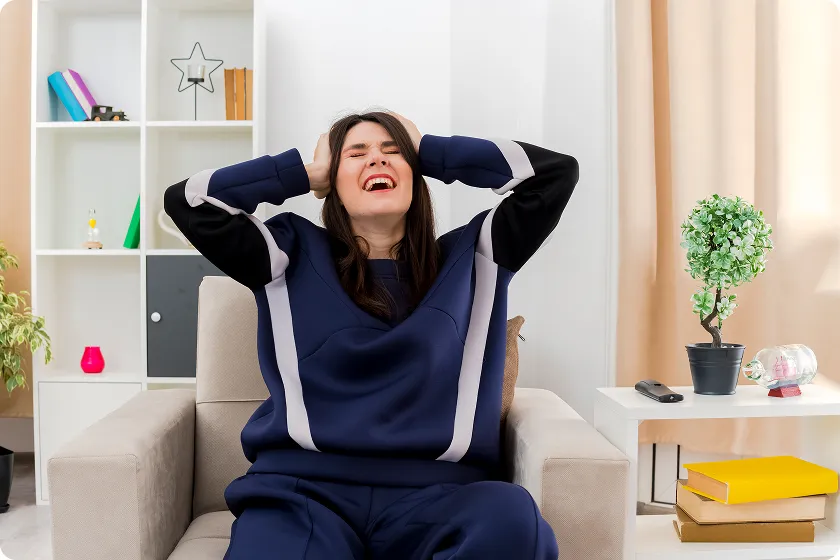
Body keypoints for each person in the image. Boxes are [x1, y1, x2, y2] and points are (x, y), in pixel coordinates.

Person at [164, 110, 579, 560]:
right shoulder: (285, 253)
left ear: (416, 173)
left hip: (442, 496)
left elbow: (555, 174)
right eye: (356, 153)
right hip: (302, 494)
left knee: (514, 523)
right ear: (334, 181)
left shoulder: (479, 254)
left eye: (393, 151)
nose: (376, 160)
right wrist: (305, 172)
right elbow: (187, 201)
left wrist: (432, 152)